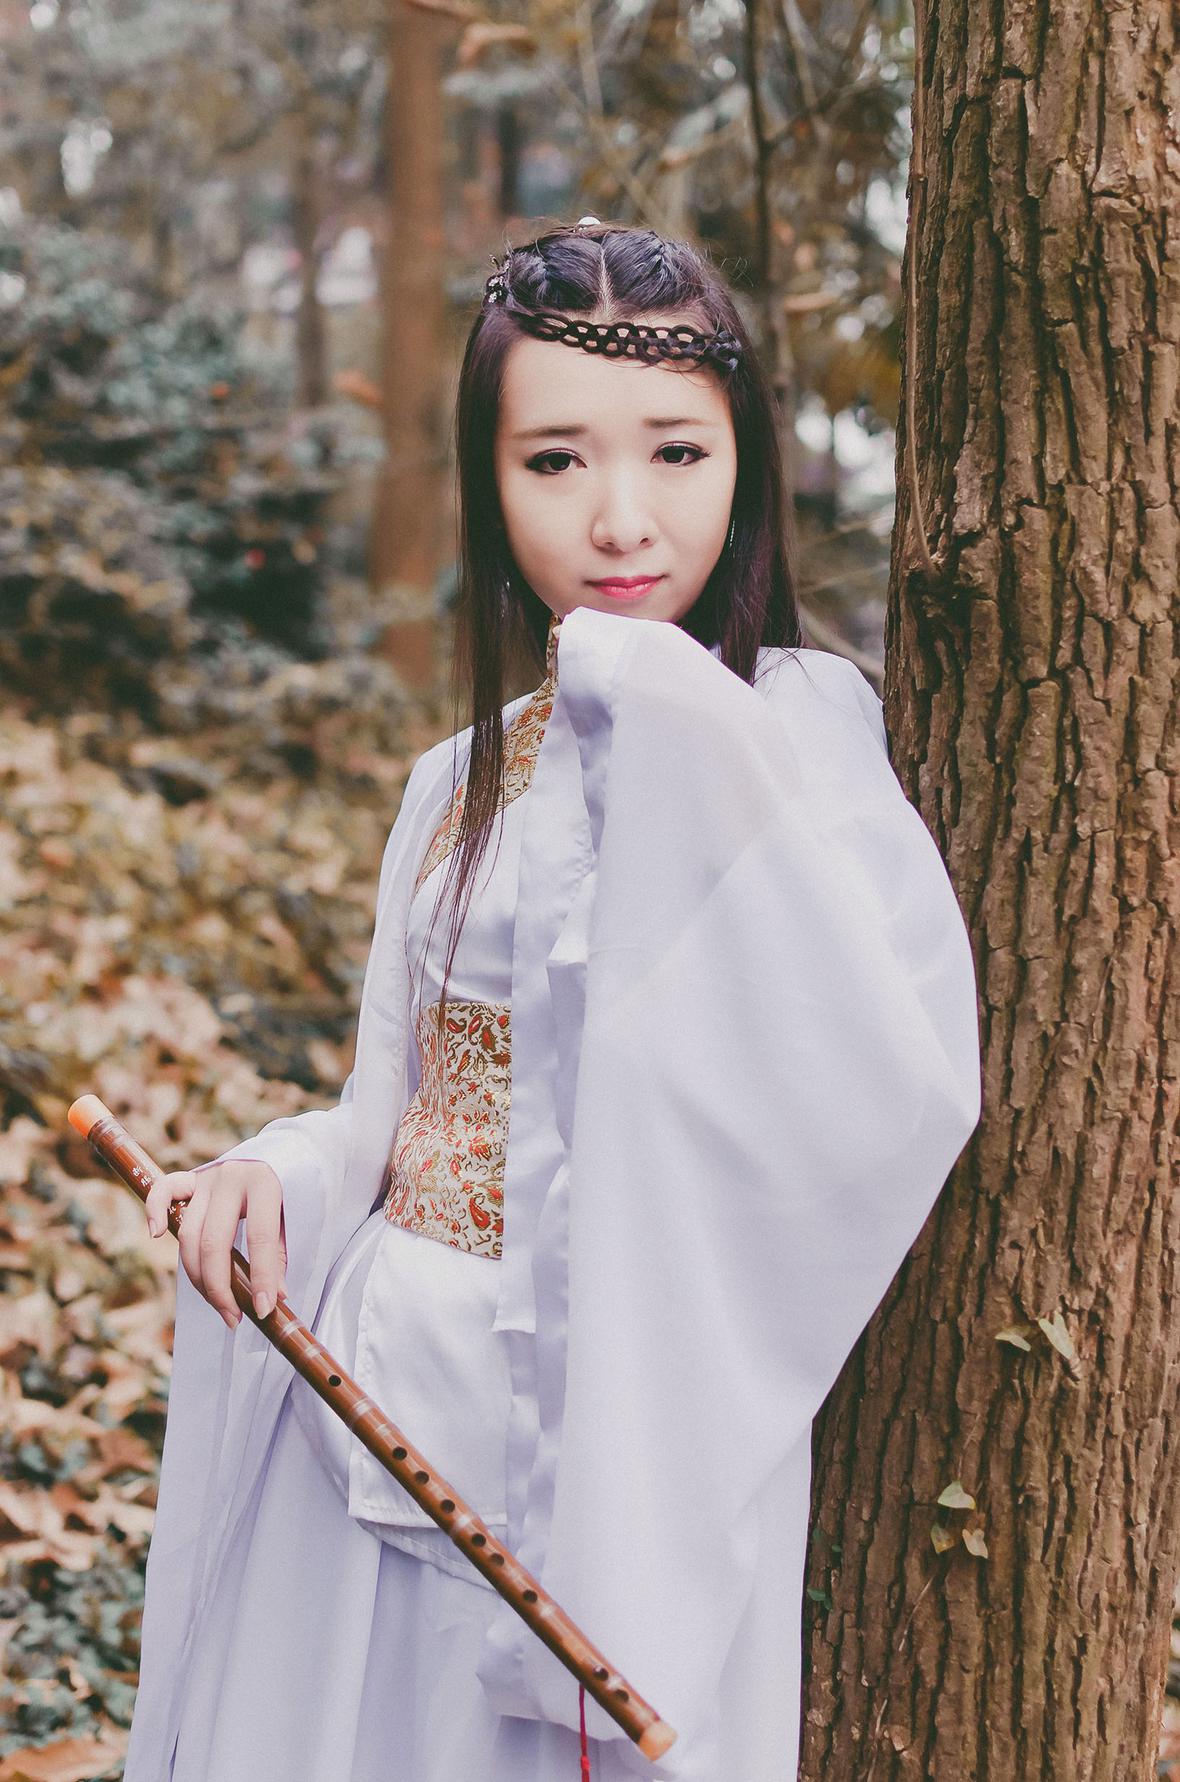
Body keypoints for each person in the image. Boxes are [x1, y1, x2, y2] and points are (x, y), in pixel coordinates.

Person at [123, 220, 981, 1781]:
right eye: (555, 461)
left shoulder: (796, 740)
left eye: (676, 451)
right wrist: (274, 1171)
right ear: (488, 479)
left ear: (747, 463)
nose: (622, 516)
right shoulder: (455, 779)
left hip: (623, 1457)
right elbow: (386, 1115)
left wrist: (675, 719)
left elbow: (892, 1087)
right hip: (374, 1405)